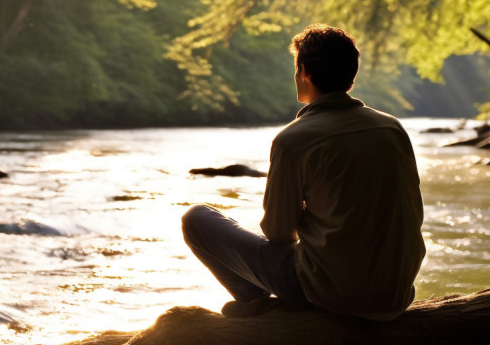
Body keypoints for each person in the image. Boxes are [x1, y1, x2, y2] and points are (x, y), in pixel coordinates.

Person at [182, 24, 426, 320]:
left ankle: (255, 305)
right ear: (352, 74)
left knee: (195, 219)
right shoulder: (391, 127)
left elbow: (278, 233)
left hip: (334, 295)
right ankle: (272, 304)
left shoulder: (294, 139)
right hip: (398, 294)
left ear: (305, 72)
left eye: (296, 69)